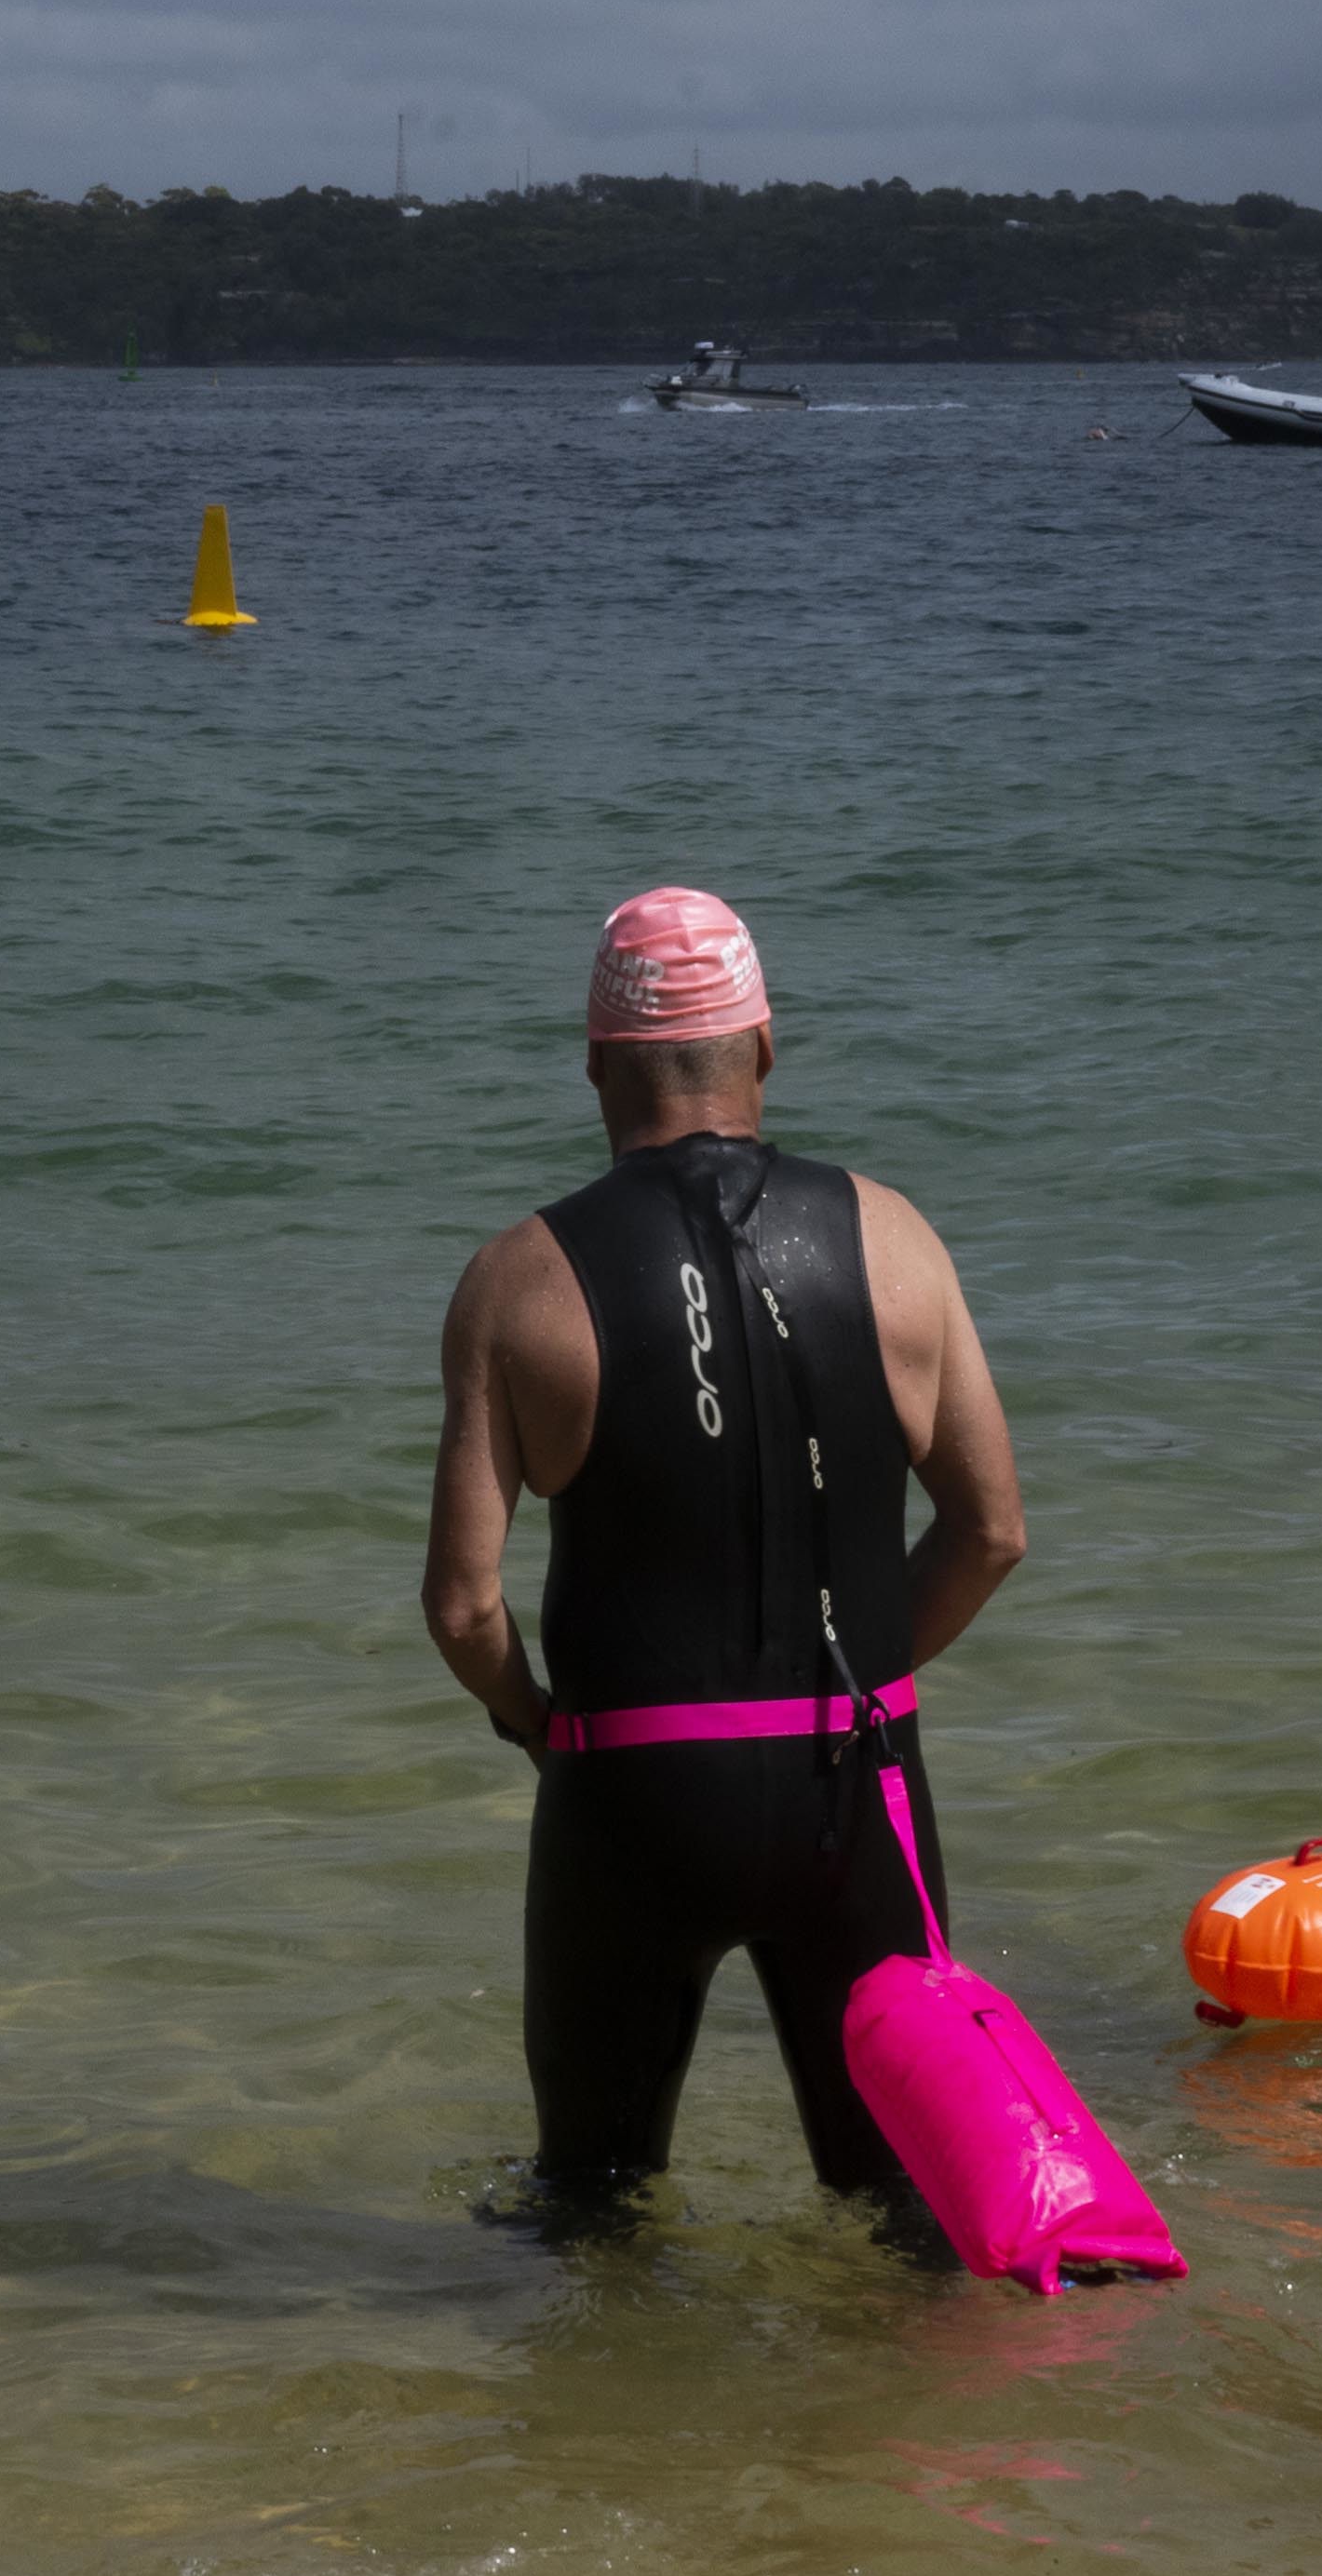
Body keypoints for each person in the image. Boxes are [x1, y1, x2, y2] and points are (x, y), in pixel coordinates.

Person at [421, 886, 1032, 2232]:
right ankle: (928, 2434)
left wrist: (537, 1723)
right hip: (853, 1789)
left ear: (594, 1060)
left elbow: (464, 1605)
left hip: (631, 1795)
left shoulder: (517, 1278)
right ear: (764, 1044)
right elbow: (992, 1532)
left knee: (589, 2201)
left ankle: (622, 2440)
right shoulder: (896, 1236)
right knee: (906, 2200)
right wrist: (864, 1671)